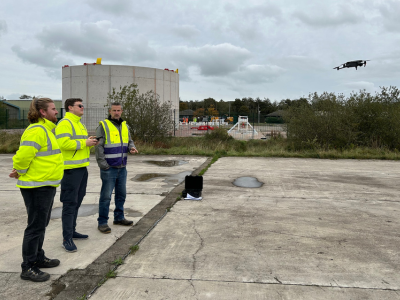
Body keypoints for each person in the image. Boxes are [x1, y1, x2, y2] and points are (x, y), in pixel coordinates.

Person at [9, 98, 64, 282]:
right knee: (35, 226)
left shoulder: (46, 130)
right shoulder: (36, 131)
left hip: (45, 185)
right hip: (36, 186)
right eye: (53, 109)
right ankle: (28, 267)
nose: (56, 112)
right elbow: (23, 156)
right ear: (42, 112)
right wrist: (20, 171)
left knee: (42, 223)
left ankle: (38, 257)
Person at [55, 98, 98, 252]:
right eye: (80, 106)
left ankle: (72, 231)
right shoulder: (65, 123)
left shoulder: (79, 123)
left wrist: (90, 143)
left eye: (83, 105)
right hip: (70, 170)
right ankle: (66, 239)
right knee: (69, 204)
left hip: (81, 168)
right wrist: (84, 143)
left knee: (77, 202)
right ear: (70, 108)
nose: (82, 107)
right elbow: (63, 144)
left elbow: (79, 144)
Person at [95, 102, 138, 233]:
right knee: (106, 196)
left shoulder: (125, 126)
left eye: (118, 110)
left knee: (121, 195)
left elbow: (129, 140)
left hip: (122, 167)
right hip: (109, 168)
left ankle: (119, 217)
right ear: (110, 111)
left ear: (122, 111)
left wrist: (132, 147)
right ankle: (102, 222)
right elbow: (98, 146)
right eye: (114, 110)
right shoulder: (103, 126)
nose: (116, 112)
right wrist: (104, 165)